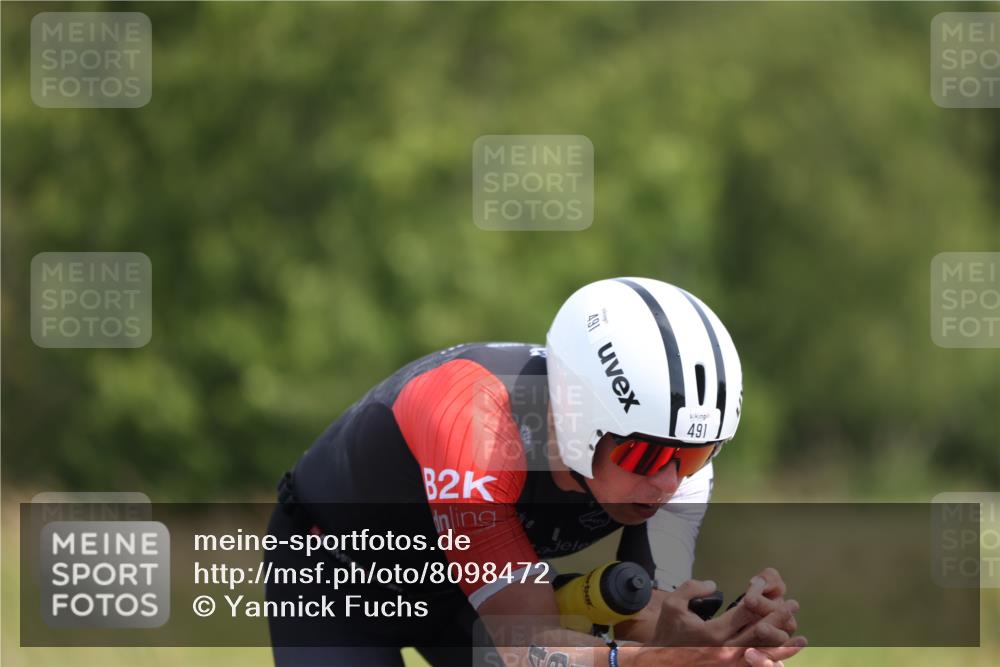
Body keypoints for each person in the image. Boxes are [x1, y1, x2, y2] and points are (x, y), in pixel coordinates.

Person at [265, 277, 806, 667]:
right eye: (644, 456)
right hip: (339, 576)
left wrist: (719, 638)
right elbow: (527, 647)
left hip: (464, 587)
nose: (669, 482)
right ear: (579, 422)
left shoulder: (669, 455)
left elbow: (644, 614)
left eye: (692, 456)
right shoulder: (475, 423)